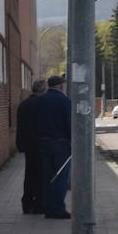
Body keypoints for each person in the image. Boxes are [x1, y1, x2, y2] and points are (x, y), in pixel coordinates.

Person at [34, 75, 72, 219]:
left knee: (48, 177)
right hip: (61, 144)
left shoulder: (39, 100)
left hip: (44, 143)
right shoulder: (64, 100)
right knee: (60, 177)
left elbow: (35, 123)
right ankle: (58, 208)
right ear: (61, 86)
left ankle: (48, 207)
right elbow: (69, 123)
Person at [17, 79, 47, 214]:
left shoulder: (23, 104)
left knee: (29, 175)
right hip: (39, 145)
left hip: (27, 145)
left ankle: (26, 203)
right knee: (40, 176)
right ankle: (39, 204)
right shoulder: (41, 104)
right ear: (42, 90)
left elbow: (20, 126)